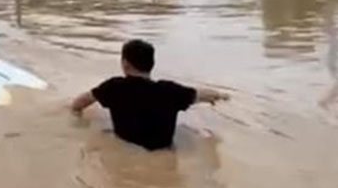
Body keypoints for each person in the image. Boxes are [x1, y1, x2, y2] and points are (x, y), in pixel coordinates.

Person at [70, 39, 228, 151]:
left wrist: (77, 117)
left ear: (125, 64)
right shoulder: (170, 91)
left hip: (125, 150)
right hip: (164, 152)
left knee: (103, 132)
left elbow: (78, 104)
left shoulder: (113, 87)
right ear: (152, 64)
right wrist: (220, 95)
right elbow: (203, 94)